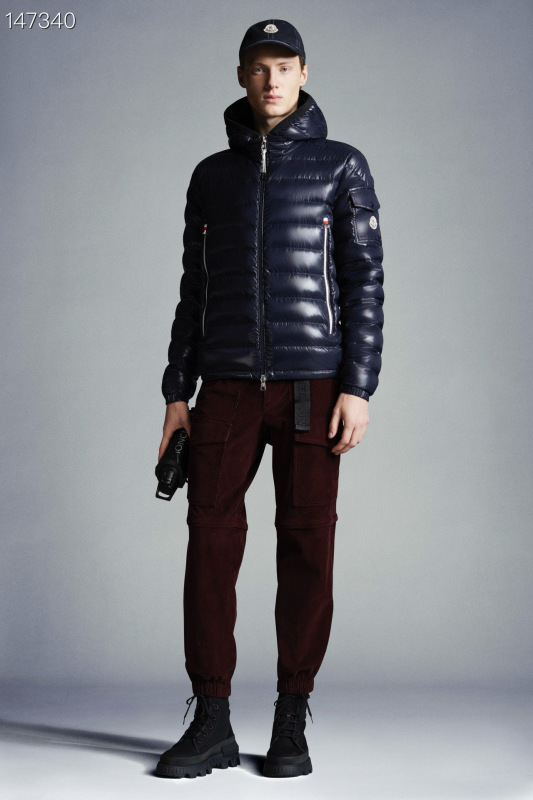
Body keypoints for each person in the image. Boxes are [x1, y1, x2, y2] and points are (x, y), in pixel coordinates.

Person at [155, 19, 385, 780]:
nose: (272, 79)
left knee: (307, 546)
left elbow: (366, 281)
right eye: (258, 67)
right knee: (209, 546)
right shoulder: (210, 176)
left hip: (312, 386)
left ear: (304, 72)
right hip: (223, 387)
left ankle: (291, 717)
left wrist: (357, 386)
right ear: (241, 76)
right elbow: (194, 288)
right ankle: (212, 720)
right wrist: (176, 393)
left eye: (284, 66)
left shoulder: (341, 166)